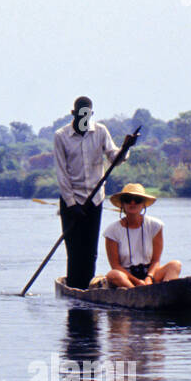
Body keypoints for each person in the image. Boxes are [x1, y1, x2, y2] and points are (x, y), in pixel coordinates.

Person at [53, 95, 131, 289]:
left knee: (90, 251)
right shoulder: (61, 136)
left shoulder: (100, 132)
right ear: (74, 114)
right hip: (73, 201)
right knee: (74, 250)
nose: (84, 118)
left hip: (95, 199)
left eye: (88, 114)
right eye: (81, 114)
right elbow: (62, 174)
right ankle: (74, 287)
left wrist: (125, 148)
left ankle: (87, 288)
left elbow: (114, 157)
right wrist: (72, 205)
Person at [102, 183, 182, 288]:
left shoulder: (155, 225)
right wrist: (137, 282)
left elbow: (155, 261)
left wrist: (149, 278)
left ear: (143, 204)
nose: (132, 202)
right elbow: (115, 265)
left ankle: (165, 292)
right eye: (128, 199)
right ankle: (135, 292)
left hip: (150, 274)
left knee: (175, 265)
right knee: (113, 274)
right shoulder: (111, 231)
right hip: (126, 277)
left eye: (137, 199)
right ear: (122, 204)